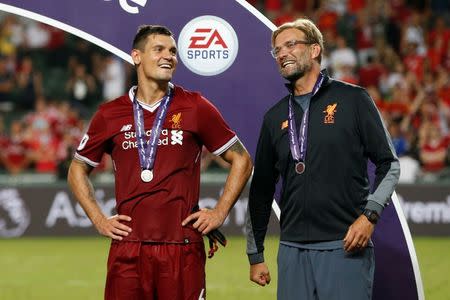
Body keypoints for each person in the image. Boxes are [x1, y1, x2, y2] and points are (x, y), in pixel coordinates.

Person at [68, 25, 252, 300]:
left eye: (173, 51)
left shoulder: (196, 106)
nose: (169, 56)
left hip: (182, 245)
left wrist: (219, 212)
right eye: (159, 49)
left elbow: (242, 158)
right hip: (128, 247)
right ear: (137, 56)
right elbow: (77, 169)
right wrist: (98, 219)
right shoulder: (110, 114)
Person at [246, 18, 400, 300]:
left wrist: (370, 216)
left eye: (291, 44)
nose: (282, 53)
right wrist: (255, 254)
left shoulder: (353, 99)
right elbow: (261, 190)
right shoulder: (274, 117)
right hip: (292, 251)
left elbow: (389, 163)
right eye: (277, 50)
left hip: (344, 247)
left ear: (315, 50)